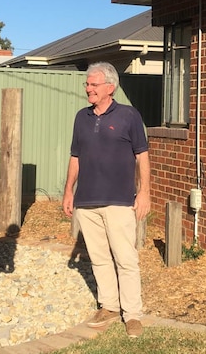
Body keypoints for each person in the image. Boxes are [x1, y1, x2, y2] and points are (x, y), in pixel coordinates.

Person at [62, 62, 151, 339]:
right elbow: (75, 157)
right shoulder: (81, 117)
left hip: (119, 201)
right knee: (99, 259)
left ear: (110, 88)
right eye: (87, 84)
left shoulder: (129, 116)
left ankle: (132, 314)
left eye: (93, 85)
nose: (88, 88)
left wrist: (145, 191)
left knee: (126, 259)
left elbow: (142, 156)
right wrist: (68, 191)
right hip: (86, 201)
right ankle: (109, 306)